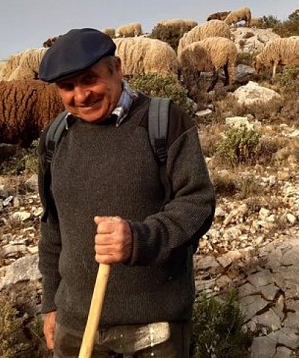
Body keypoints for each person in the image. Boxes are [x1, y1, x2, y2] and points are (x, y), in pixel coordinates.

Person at [36, 28, 215, 357]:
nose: (80, 96)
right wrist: (51, 303)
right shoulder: (55, 137)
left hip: (153, 327)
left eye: (89, 80)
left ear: (117, 69)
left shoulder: (164, 121)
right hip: (75, 325)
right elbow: (52, 226)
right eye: (67, 87)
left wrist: (139, 239)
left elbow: (198, 203)